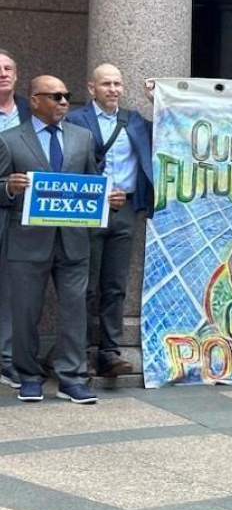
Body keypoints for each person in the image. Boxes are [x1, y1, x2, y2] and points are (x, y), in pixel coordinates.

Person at [0, 75, 108, 404]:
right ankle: (28, 375)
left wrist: (107, 200)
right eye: (55, 96)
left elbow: (93, 182)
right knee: (24, 312)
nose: (63, 102)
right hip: (27, 241)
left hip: (74, 241)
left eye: (66, 95)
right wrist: (8, 187)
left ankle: (72, 378)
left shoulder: (84, 138)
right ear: (34, 100)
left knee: (75, 310)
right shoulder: (9, 140)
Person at [61, 63, 153, 379]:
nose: (113, 89)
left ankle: (110, 353)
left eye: (117, 84)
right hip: (86, 210)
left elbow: (171, 128)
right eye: (106, 84)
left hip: (125, 210)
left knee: (115, 285)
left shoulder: (135, 121)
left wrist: (160, 99)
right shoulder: (75, 119)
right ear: (91, 88)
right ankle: (80, 351)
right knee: (84, 284)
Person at [0, 48, 32, 389]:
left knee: (10, 286)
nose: (3, 73)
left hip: (21, 210)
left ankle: (8, 358)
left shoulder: (30, 110)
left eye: (8, 68)